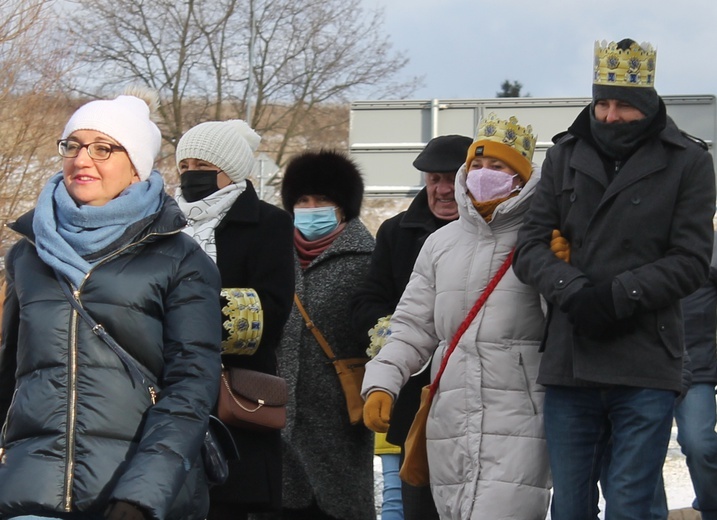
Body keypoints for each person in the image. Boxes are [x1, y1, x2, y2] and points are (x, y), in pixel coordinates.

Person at [512, 38, 716, 520]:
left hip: (645, 359)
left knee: (631, 503)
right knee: (569, 505)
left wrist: (619, 295)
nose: (608, 115)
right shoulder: (563, 155)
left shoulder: (689, 161)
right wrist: (573, 291)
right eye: (602, 102)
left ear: (646, 105)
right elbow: (530, 247)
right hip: (570, 355)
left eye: (622, 105)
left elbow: (690, 259)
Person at [0, 91, 223, 520]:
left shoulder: (180, 259)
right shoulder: (28, 255)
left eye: (103, 148)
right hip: (30, 490)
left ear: (137, 166)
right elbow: (12, 374)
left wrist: (142, 494)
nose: (83, 159)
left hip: (133, 494)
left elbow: (192, 386)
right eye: (74, 145)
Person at [362, 113, 551, 519]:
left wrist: (562, 268)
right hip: (449, 419)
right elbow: (412, 327)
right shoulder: (440, 244)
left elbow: (564, 323)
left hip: (520, 417)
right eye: (477, 165)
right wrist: (381, 382)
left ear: (521, 176)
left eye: (497, 167)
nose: (483, 175)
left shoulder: (542, 236)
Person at [174, 119, 295, 520]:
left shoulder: (268, 223)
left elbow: (271, 310)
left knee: (230, 502)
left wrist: (183, 316)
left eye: (203, 165)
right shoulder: (166, 224)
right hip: (169, 390)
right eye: (185, 166)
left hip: (234, 395)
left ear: (232, 168)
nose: (193, 175)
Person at [350, 134, 471, 520]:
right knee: (419, 508)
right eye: (434, 178)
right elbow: (367, 301)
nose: (442, 189)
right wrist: (389, 330)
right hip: (416, 402)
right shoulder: (396, 232)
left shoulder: (497, 236)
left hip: (480, 396)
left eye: (452, 178)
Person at [275, 150, 376, 519]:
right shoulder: (274, 255)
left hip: (339, 425)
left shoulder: (368, 259)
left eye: (323, 200)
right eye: (302, 200)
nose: (310, 207)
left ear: (344, 206)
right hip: (276, 421)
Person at [651, 230, 717, 520]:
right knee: (644, 453)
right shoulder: (638, 235)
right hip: (646, 366)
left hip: (698, 364)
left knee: (700, 443)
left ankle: (712, 506)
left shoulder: (710, 245)